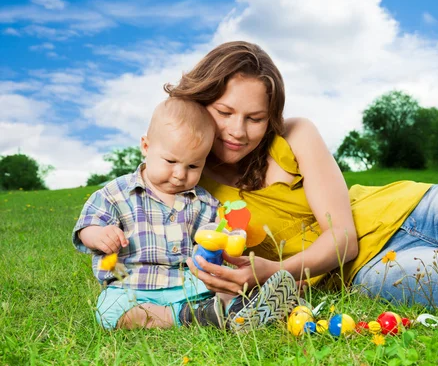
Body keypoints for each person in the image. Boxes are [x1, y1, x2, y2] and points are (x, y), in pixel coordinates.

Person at [167, 41, 438, 325]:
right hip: (378, 269)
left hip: (423, 206)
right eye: (224, 112)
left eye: (255, 118)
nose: (238, 130)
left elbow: (342, 238)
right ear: (202, 100)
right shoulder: (186, 182)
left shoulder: (296, 133)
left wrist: (275, 270)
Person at [73, 97, 298, 330]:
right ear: (146, 147)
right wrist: (99, 234)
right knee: (109, 312)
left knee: (223, 289)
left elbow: (214, 241)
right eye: (170, 161)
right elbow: (86, 228)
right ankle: (192, 317)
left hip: (188, 283)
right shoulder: (115, 193)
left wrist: (226, 235)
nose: (180, 174)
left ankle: (248, 305)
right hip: (130, 285)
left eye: (193, 166)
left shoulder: (203, 202)